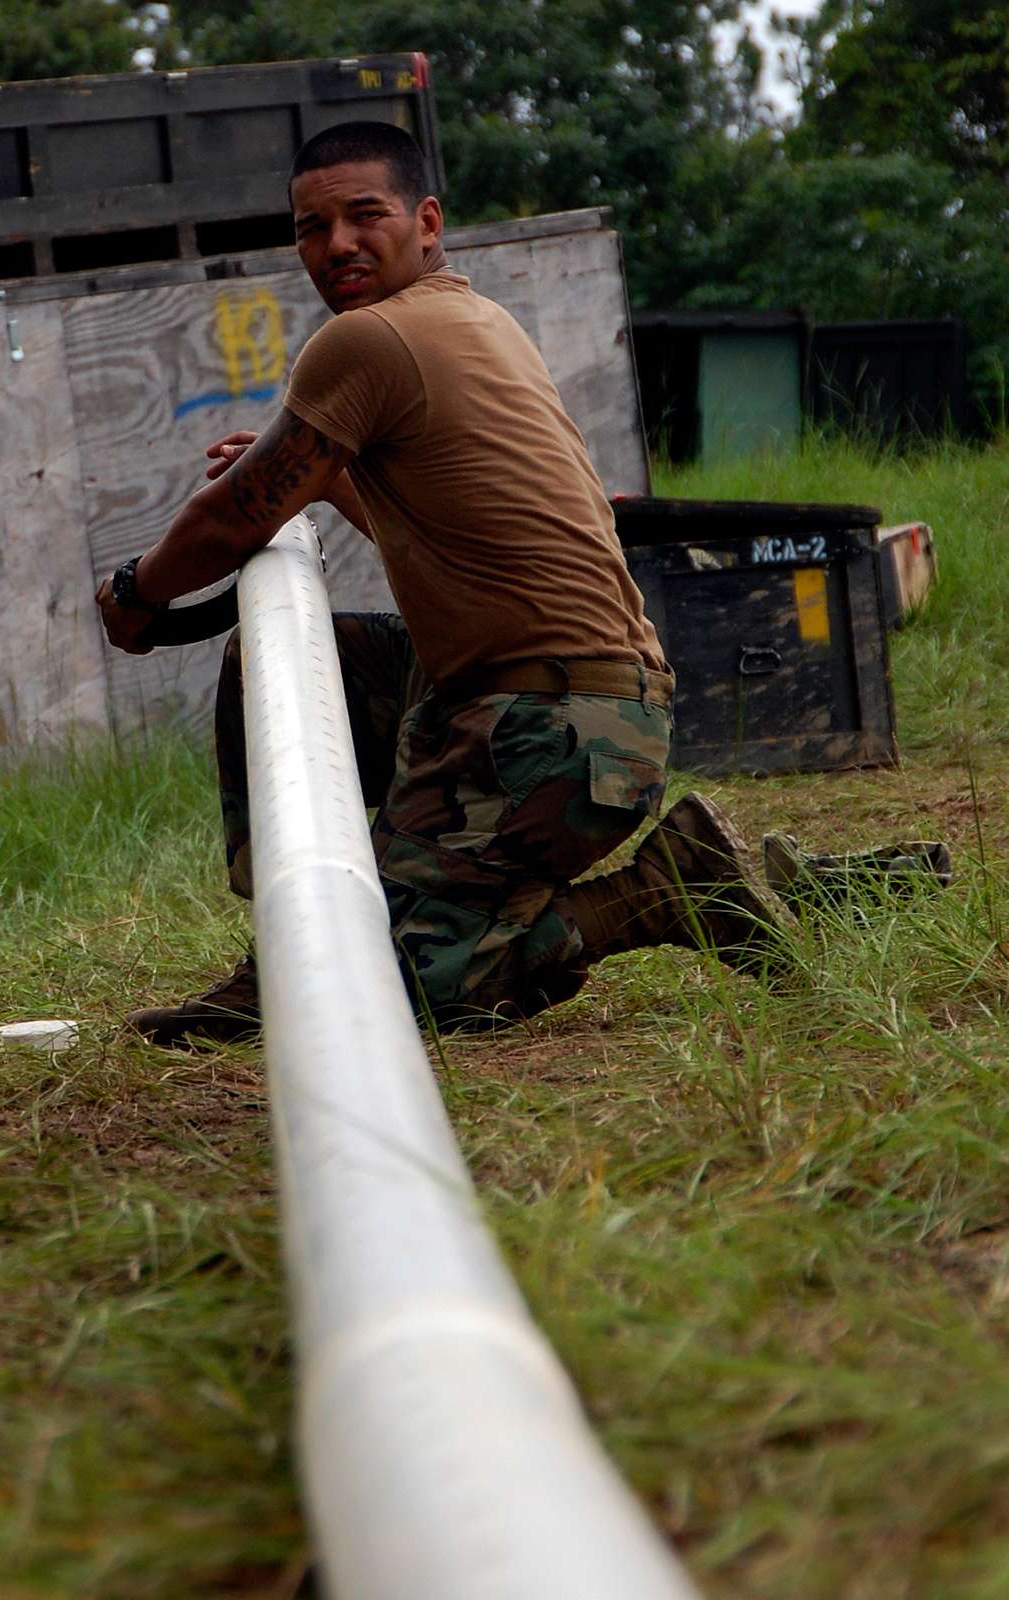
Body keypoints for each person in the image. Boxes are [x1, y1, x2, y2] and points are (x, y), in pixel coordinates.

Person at [96, 120, 793, 1048]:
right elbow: (427, 533)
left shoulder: (370, 342)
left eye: (362, 216)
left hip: (557, 727)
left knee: (390, 987)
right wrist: (324, 478)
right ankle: (286, 947)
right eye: (311, 227)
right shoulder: (470, 317)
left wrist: (136, 594)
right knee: (292, 665)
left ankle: (666, 892)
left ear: (426, 222)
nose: (335, 244)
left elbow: (229, 521)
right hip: (538, 700)